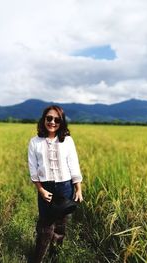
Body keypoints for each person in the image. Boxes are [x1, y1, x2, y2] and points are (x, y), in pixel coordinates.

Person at [28, 105, 83, 262]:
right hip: (46, 188)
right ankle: (37, 259)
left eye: (57, 119)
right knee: (45, 226)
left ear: (62, 122)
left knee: (60, 225)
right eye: (49, 118)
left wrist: (78, 189)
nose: (52, 122)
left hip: (65, 187)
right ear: (44, 119)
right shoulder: (35, 142)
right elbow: (33, 169)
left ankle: (55, 257)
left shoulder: (67, 141)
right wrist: (41, 190)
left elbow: (74, 165)